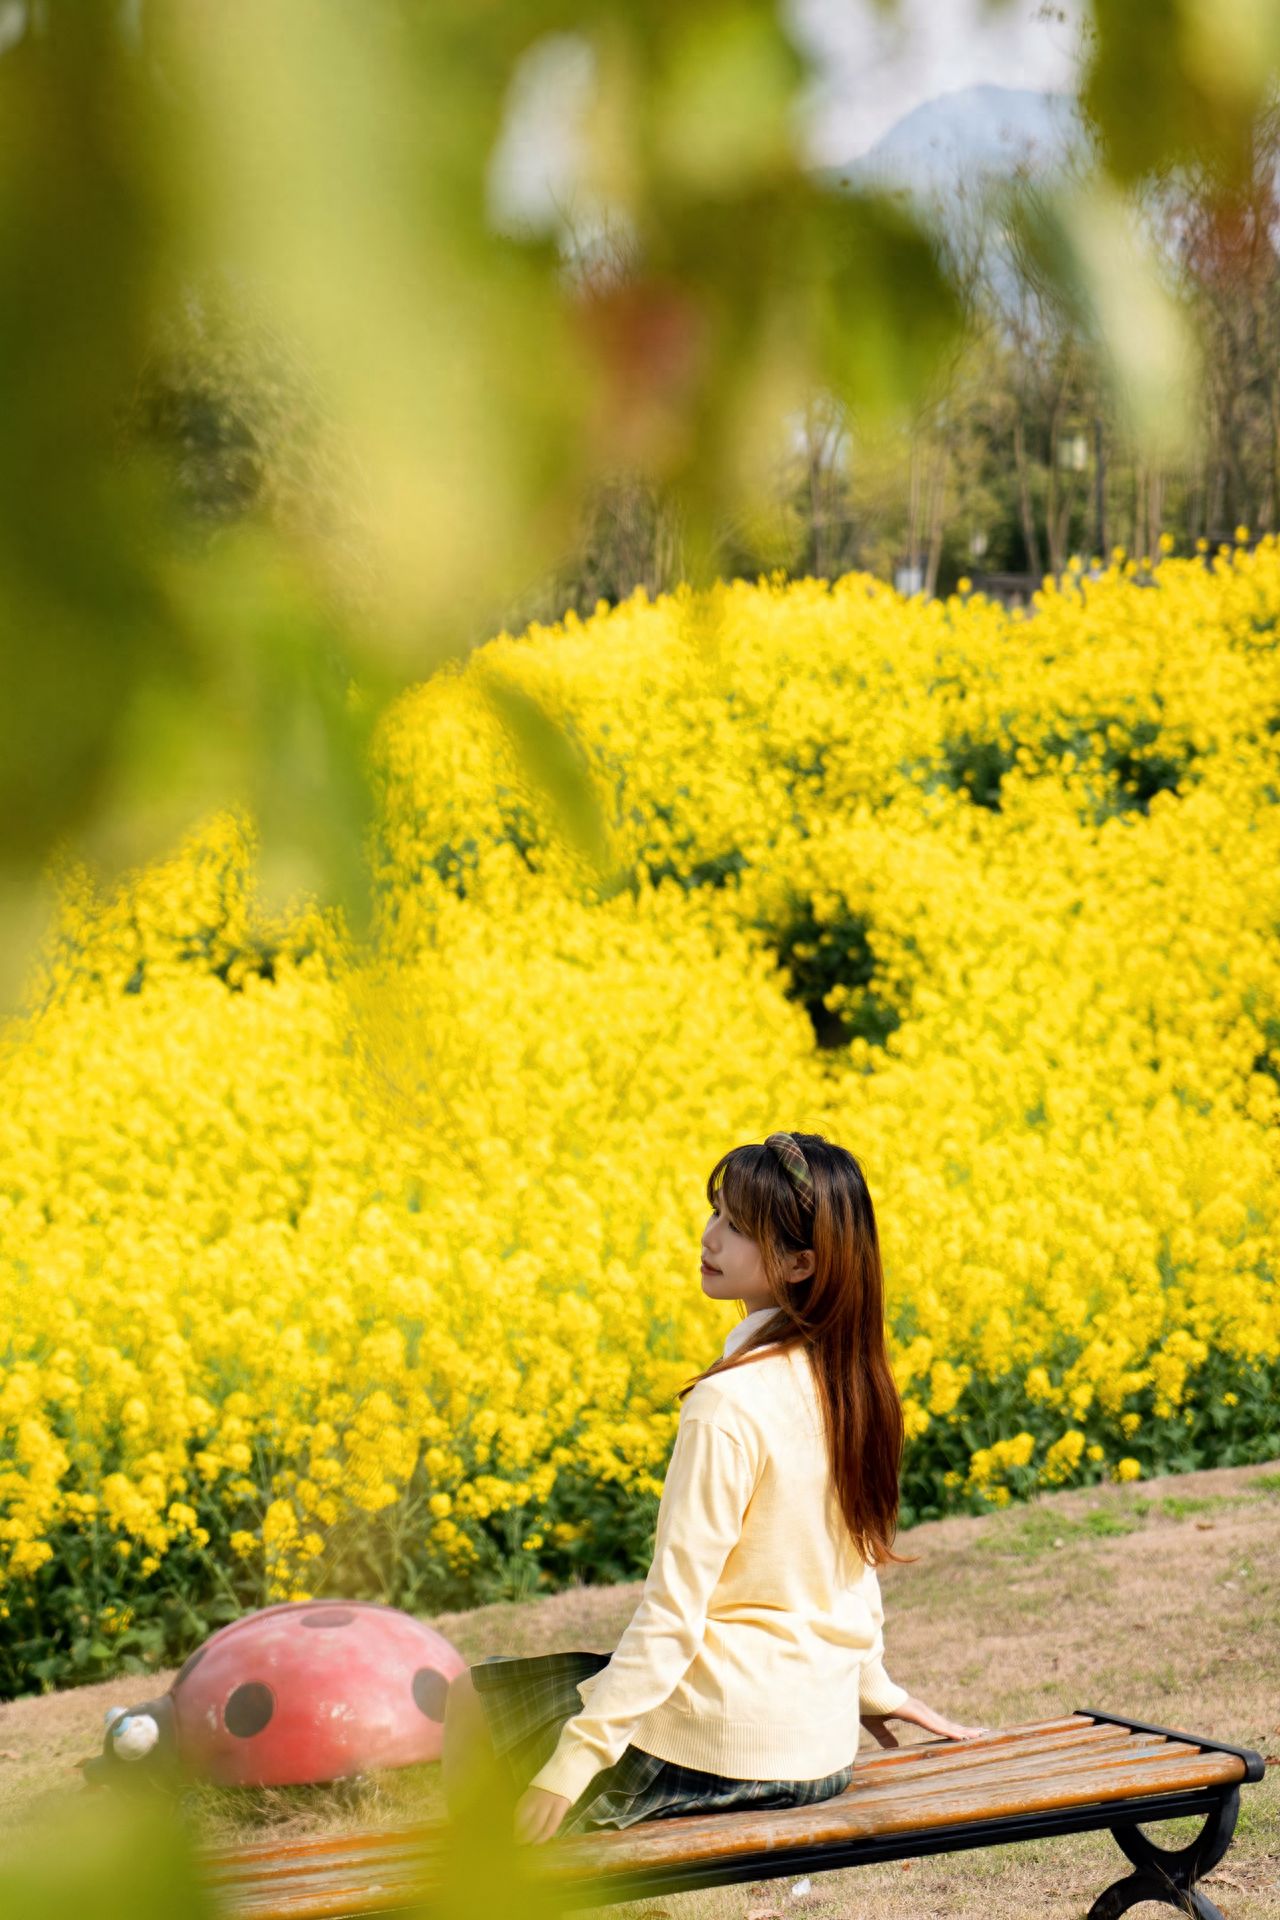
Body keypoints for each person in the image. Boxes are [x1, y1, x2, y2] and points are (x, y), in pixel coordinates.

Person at [441, 1131, 986, 1845]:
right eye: (716, 1214)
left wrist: (571, 1766)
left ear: (800, 1263)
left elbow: (672, 1616)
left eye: (736, 1227)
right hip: (821, 1748)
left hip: (729, 1744)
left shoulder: (728, 1405)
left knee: (472, 1705)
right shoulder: (852, 1384)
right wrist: (872, 1689)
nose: (709, 1237)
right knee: (547, 1695)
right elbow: (850, 1569)